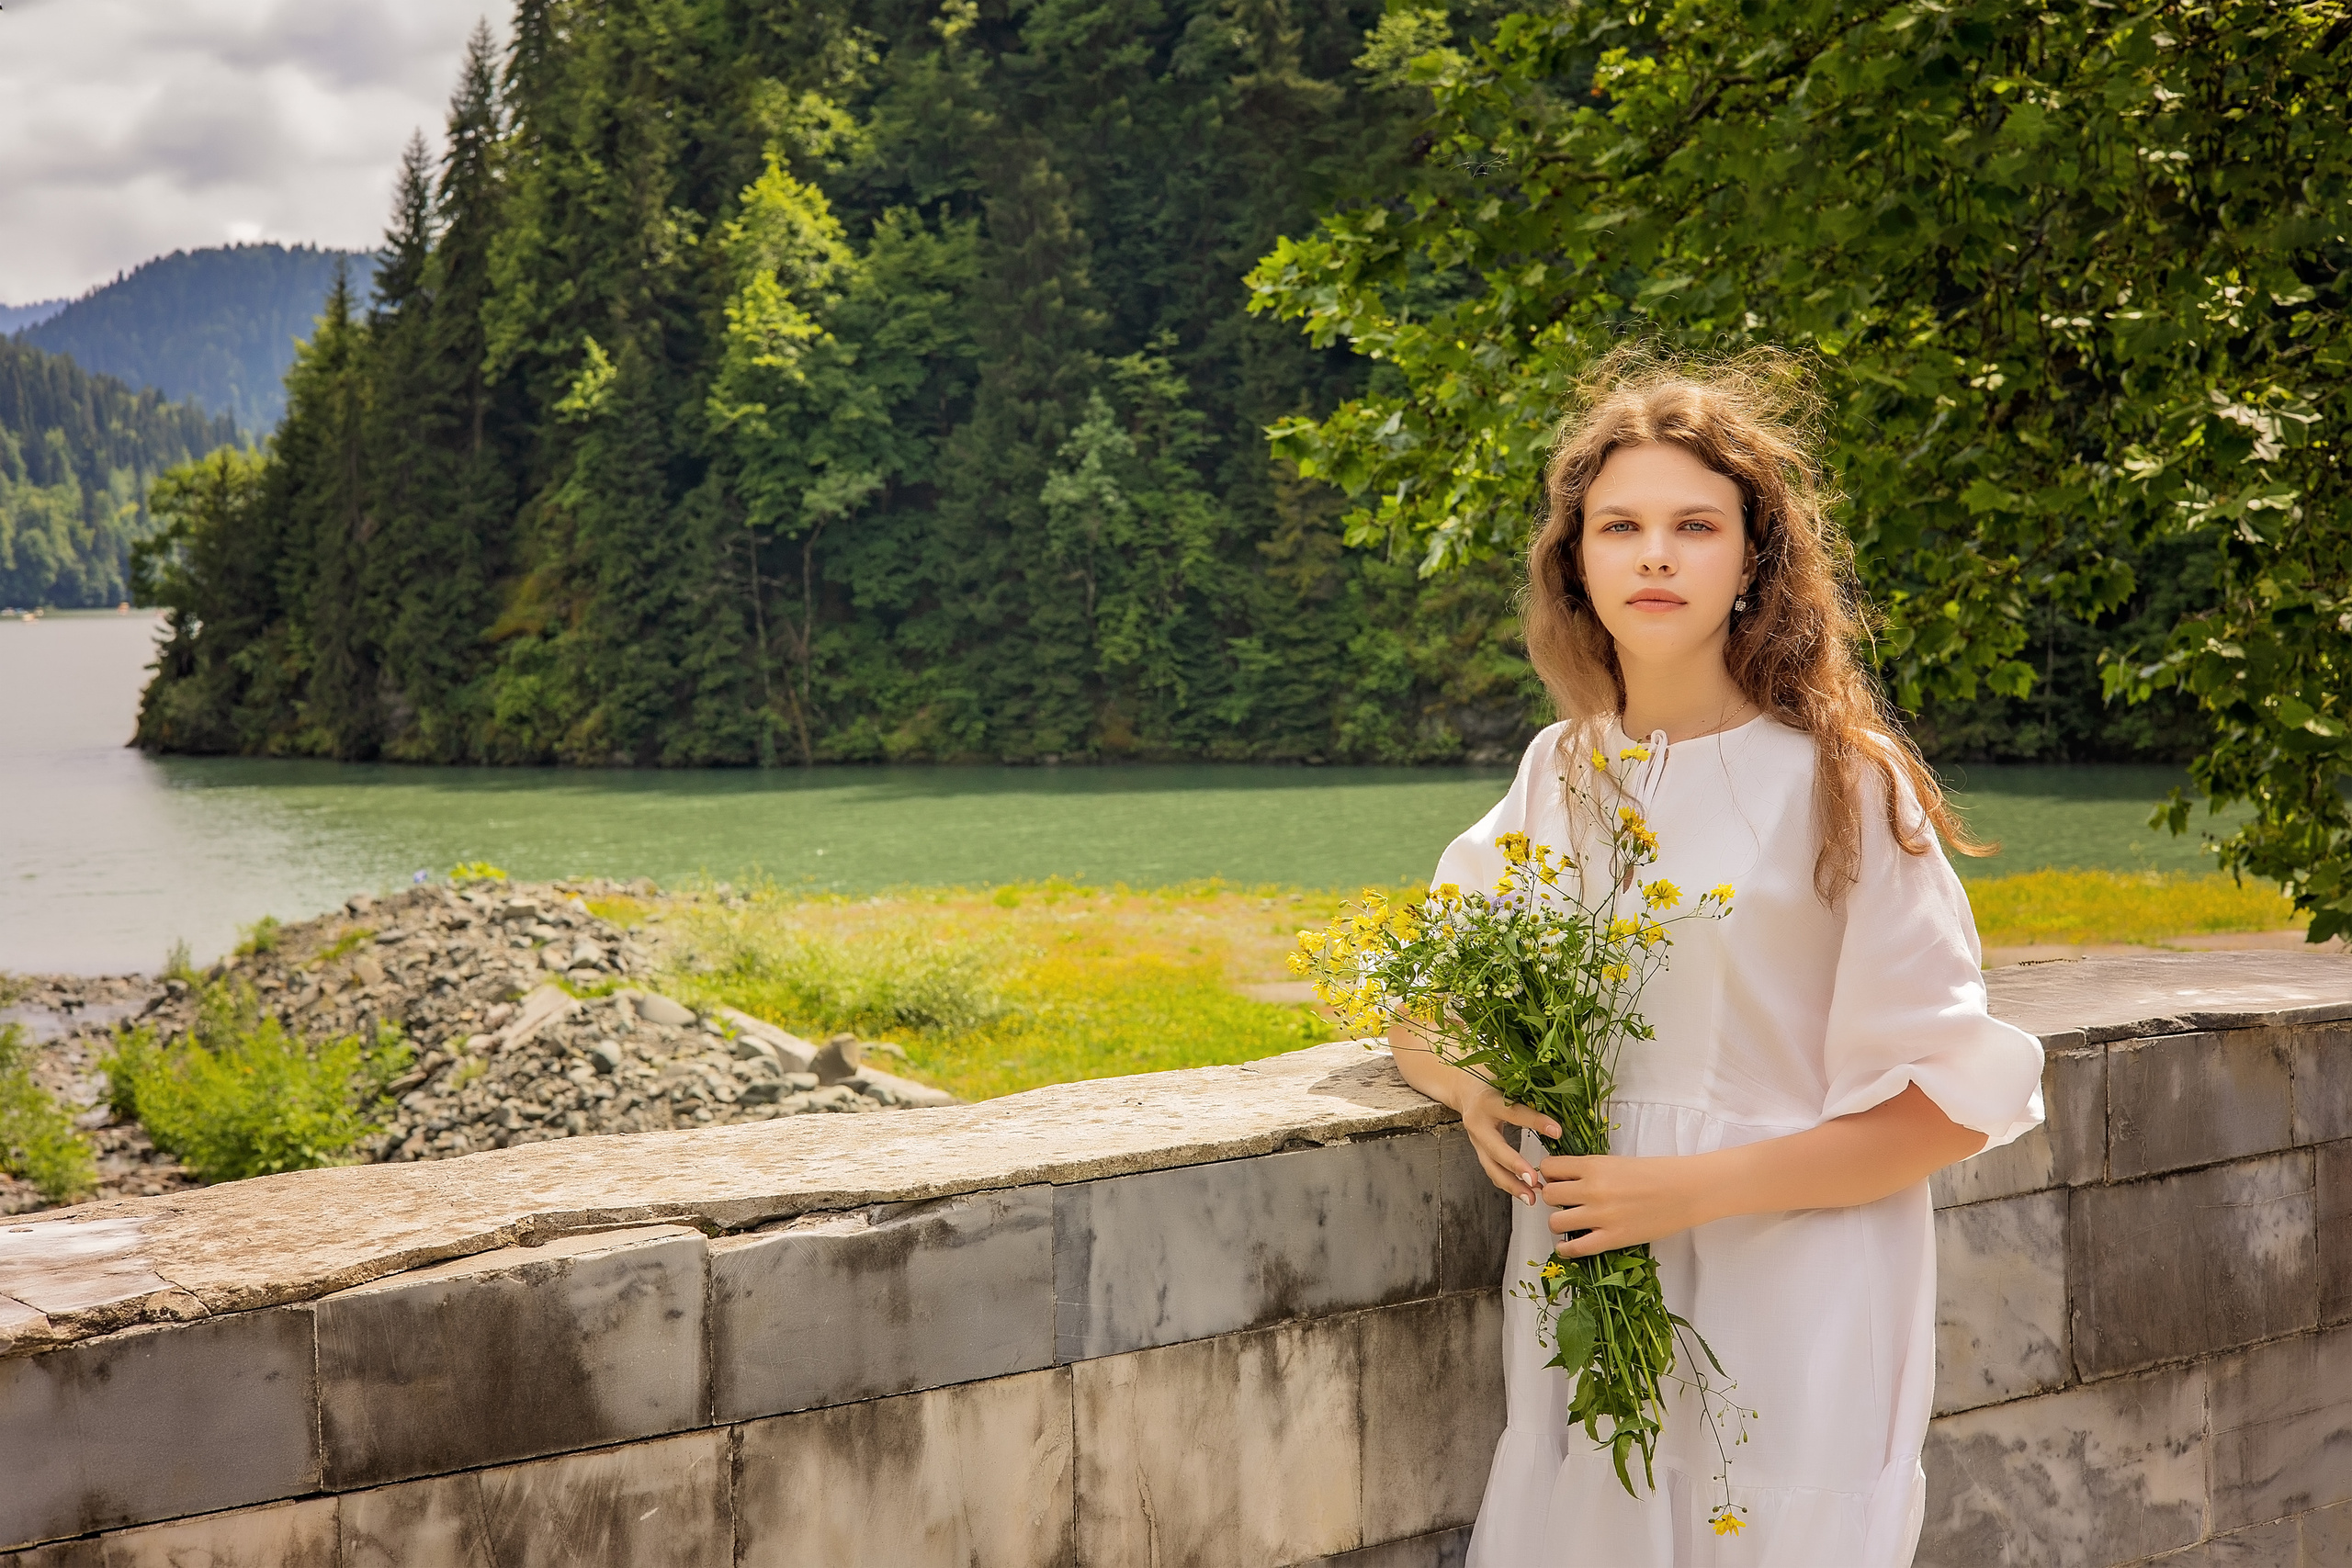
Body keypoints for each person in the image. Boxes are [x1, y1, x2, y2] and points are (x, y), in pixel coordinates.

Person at [1390, 346, 2045, 1566]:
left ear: (1754, 560)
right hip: (1590, 1300)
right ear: (1573, 562)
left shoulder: (1848, 782)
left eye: (1694, 525)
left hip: (1793, 1293)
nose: (1653, 554)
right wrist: (1475, 1092)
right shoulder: (1559, 772)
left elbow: (1956, 1107)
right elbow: (1421, 999)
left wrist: (1688, 1191)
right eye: (1619, 526)